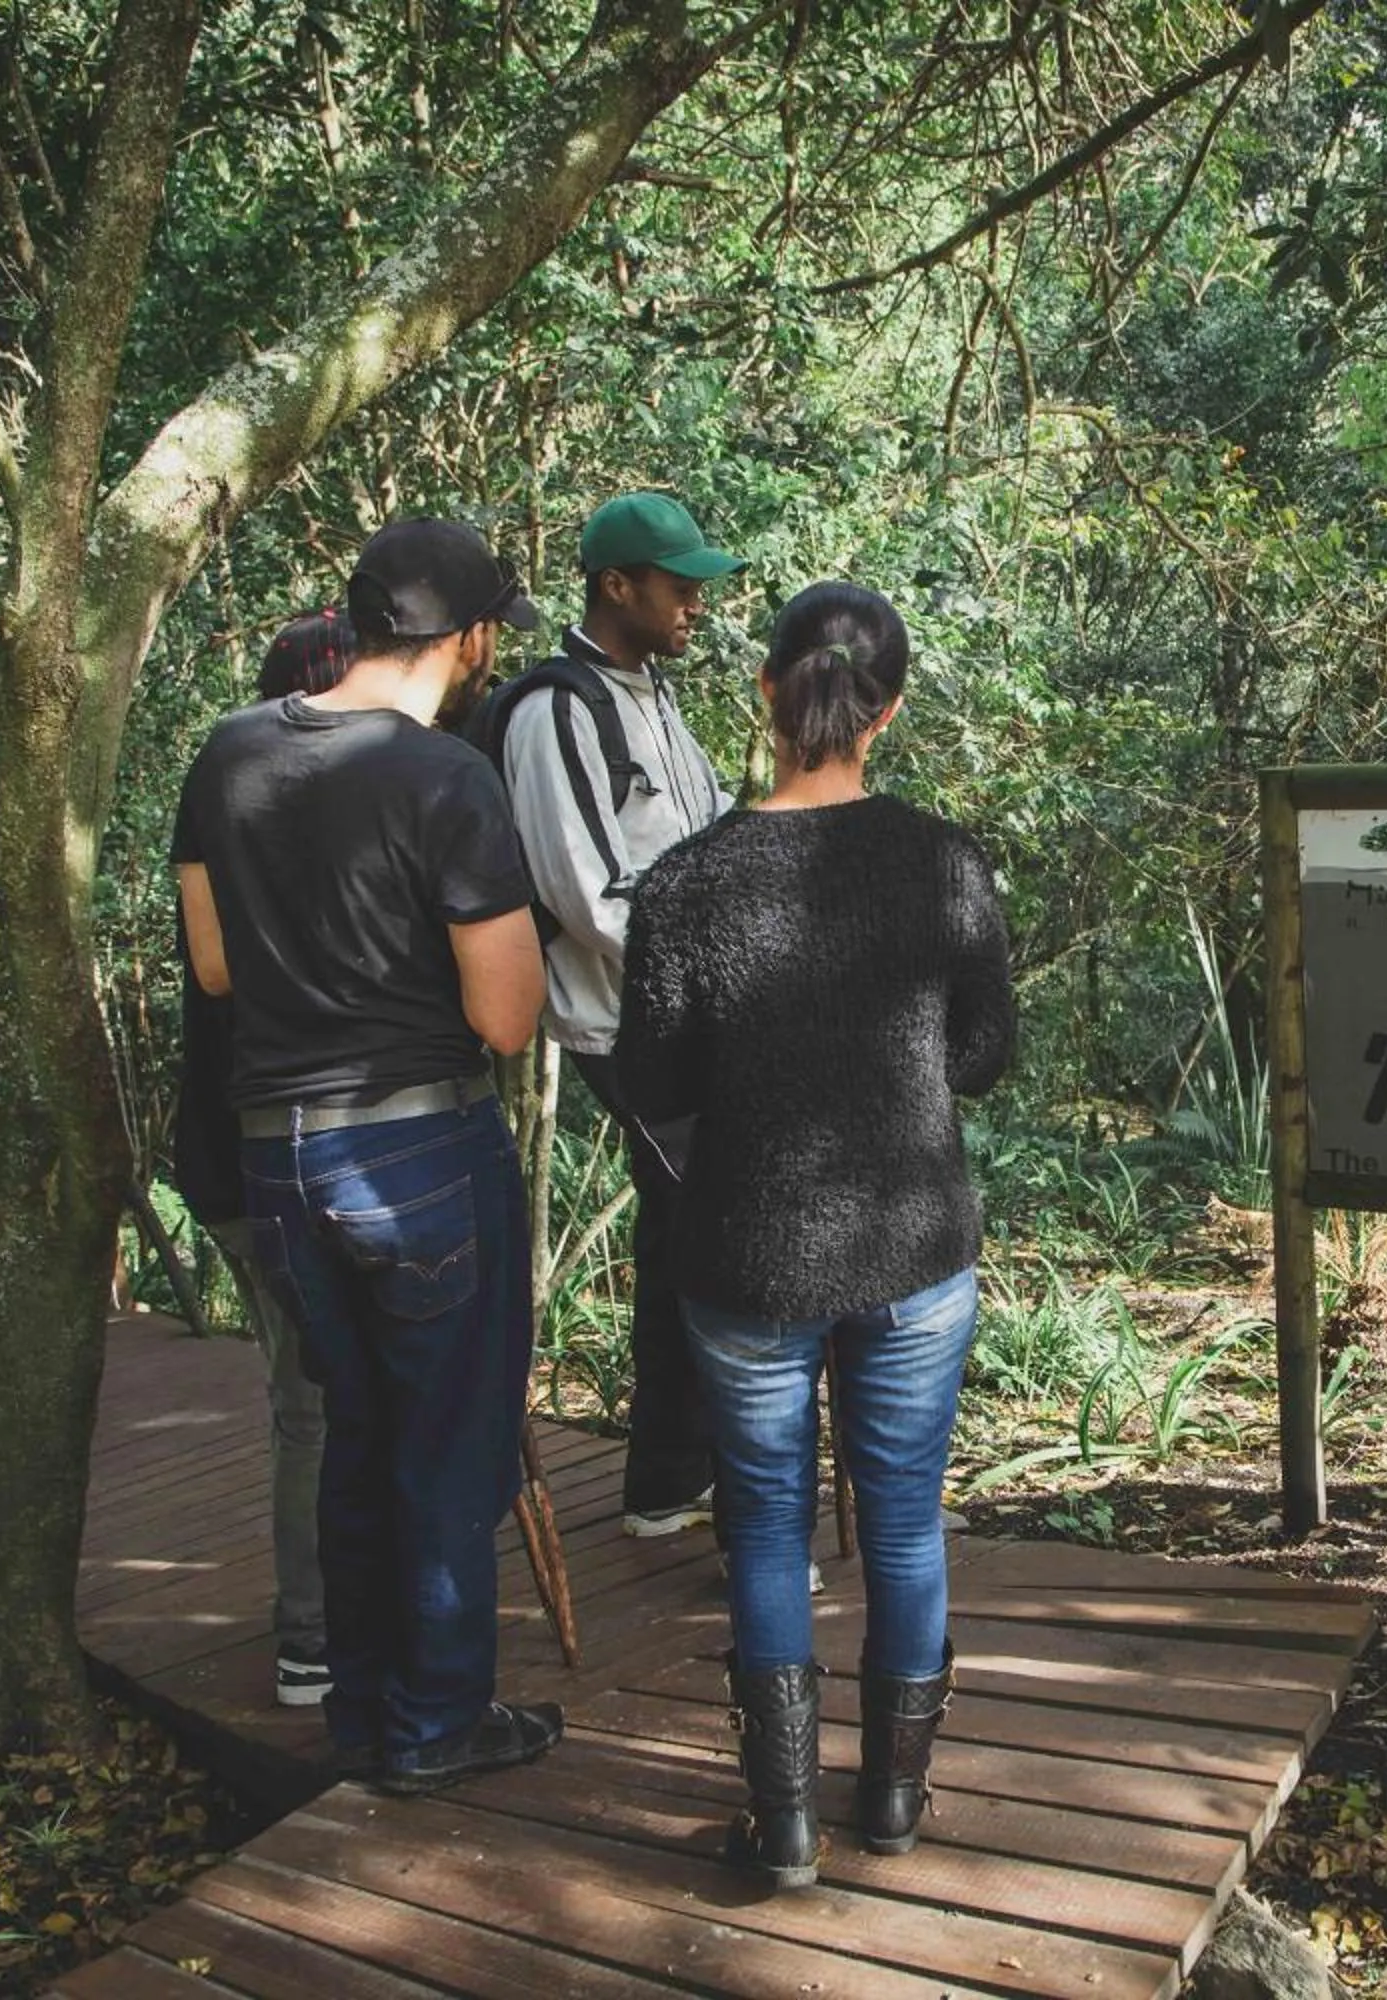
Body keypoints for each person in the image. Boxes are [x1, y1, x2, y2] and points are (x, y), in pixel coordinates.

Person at [614, 581, 1016, 1890]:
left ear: (764, 693)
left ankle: (783, 1826)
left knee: (770, 1532)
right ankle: (892, 1806)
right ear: (885, 711)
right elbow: (985, 1056)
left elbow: (654, 1082)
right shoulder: (946, 864)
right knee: (902, 1530)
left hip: (744, 1256)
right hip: (913, 1249)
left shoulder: (687, 883)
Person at [172, 519, 561, 1792]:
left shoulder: (229, 754)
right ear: (472, 638)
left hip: (276, 1155)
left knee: (351, 1430)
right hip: (419, 1148)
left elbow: (218, 965)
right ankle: (437, 1722)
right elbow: (506, 1017)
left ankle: (361, 1704)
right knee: (450, 1444)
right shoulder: (447, 780)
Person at [494, 492, 744, 1540]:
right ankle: (691, 1474)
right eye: (679, 584)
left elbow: (708, 833)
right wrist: (722, 961)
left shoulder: (651, 696)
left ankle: (668, 1478)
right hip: (626, 1024)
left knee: (689, 1230)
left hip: (693, 1011)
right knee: (709, 1226)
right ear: (615, 584)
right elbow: (586, 891)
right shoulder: (556, 711)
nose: (697, 602)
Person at [167, 608, 351, 1710]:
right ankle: (313, 1636)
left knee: (320, 1393)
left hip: (243, 1153)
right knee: (313, 1399)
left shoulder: (235, 803)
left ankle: (335, 1618)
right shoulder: (254, 812)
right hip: (262, 1154)